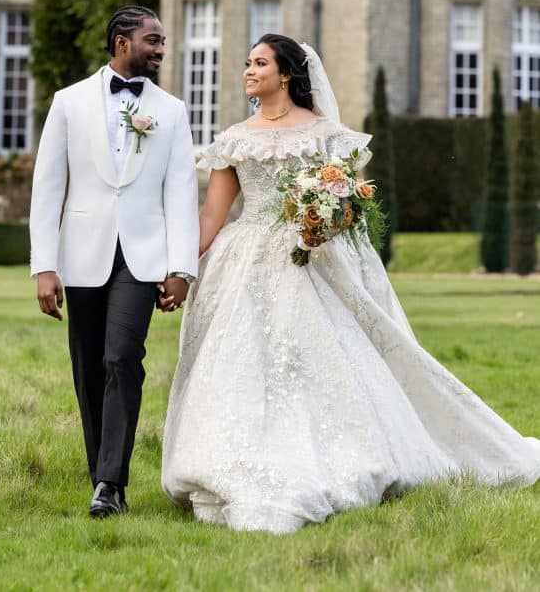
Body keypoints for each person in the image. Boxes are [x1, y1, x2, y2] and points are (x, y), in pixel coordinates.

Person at [162, 34, 540, 535]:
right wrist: (182, 270)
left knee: (324, 355)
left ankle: (349, 449)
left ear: (287, 74)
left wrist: (323, 222)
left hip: (313, 260)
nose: (247, 70)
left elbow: (345, 205)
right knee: (242, 359)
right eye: (246, 62)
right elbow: (212, 216)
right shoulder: (235, 138)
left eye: (259, 63)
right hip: (246, 261)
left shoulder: (325, 134)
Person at [30, 5, 199, 518]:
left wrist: (181, 268)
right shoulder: (68, 102)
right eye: (152, 39)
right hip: (81, 255)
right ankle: (100, 471)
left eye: (164, 41)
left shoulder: (171, 111)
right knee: (87, 366)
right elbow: (48, 187)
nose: (161, 49)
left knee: (121, 358)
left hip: (143, 258)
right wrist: (44, 265)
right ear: (122, 42)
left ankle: (110, 485)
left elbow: (181, 193)